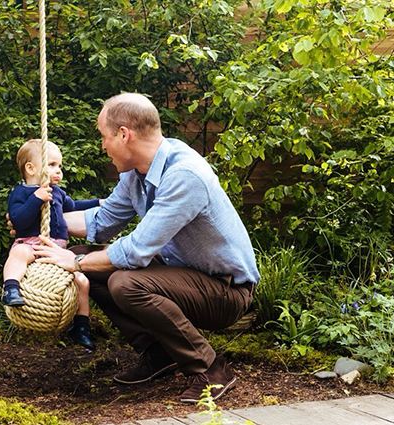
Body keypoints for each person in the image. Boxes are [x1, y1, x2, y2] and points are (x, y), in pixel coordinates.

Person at [31, 93, 261, 403]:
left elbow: (136, 250)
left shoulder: (185, 175)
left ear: (123, 134)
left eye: (104, 136)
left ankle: (211, 369)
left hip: (226, 291)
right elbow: (102, 221)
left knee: (123, 282)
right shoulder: (135, 174)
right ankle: (159, 352)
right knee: (90, 259)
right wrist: (36, 222)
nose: (102, 146)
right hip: (183, 277)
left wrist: (74, 262)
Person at [3, 139, 101, 350]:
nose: (59, 171)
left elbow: (74, 206)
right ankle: (11, 288)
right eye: (52, 165)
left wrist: (99, 202)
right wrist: (36, 199)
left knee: (82, 281)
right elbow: (18, 220)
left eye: (60, 166)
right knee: (19, 252)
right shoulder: (20, 193)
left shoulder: (57, 192)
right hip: (31, 244)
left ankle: (81, 327)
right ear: (31, 168)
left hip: (57, 250)